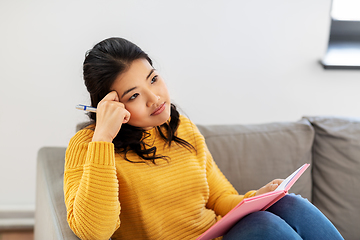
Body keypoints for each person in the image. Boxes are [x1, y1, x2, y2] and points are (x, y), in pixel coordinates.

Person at [64, 37, 344, 240]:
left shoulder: (180, 127)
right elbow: (94, 232)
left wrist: (256, 198)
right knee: (266, 227)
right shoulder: (90, 146)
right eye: (134, 95)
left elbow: (218, 196)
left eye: (153, 79)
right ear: (109, 105)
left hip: (217, 233)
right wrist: (103, 137)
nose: (155, 98)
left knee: (289, 203)